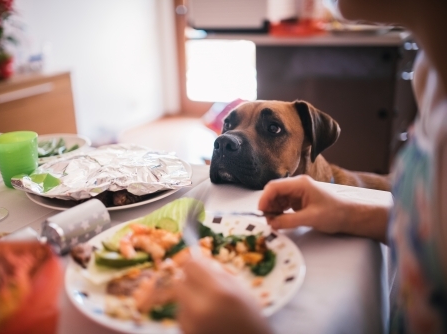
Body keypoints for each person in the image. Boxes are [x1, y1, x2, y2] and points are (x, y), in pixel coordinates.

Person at [174, 0, 447, 333]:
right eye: (230, 128)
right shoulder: (432, 83)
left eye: (272, 129)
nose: (229, 140)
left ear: (310, 145)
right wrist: (348, 215)